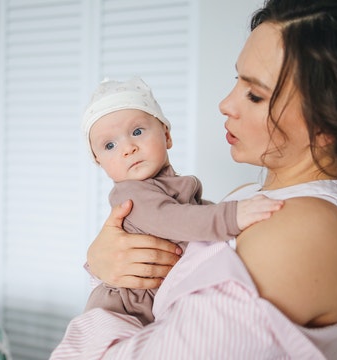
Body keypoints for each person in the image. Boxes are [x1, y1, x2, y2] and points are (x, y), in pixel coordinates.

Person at [51, 0, 337, 358]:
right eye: (237, 80)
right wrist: (102, 262)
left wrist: (94, 311)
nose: (225, 103)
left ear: (330, 121)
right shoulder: (251, 194)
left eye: (254, 94)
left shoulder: (305, 230)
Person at [81, 77, 283, 326]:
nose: (128, 148)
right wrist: (232, 216)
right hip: (121, 313)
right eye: (110, 145)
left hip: (154, 307)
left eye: (137, 131)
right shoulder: (130, 194)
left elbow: (192, 216)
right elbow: (173, 219)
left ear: (167, 136)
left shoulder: (169, 185)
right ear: (99, 162)